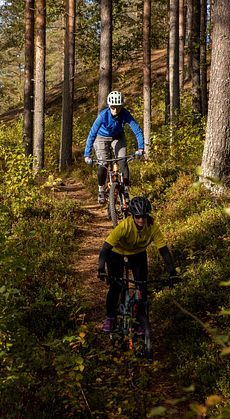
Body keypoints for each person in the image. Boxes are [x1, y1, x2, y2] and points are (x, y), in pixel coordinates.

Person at [97, 196, 178, 333]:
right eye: (138, 217)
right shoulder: (124, 226)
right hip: (116, 253)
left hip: (138, 254)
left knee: (142, 287)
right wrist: (101, 268)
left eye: (144, 217)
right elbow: (105, 248)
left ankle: (141, 320)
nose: (141, 220)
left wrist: (172, 272)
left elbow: (164, 251)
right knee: (116, 286)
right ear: (133, 215)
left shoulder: (152, 227)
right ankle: (110, 318)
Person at [84, 90, 145, 204]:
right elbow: (92, 133)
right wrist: (87, 155)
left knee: (122, 161)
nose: (115, 110)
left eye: (118, 107)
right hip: (101, 137)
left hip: (118, 136)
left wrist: (140, 148)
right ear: (109, 106)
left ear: (121, 106)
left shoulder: (125, 114)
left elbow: (137, 130)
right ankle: (101, 189)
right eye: (113, 107)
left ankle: (126, 188)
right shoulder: (103, 116)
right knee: (103, 163)